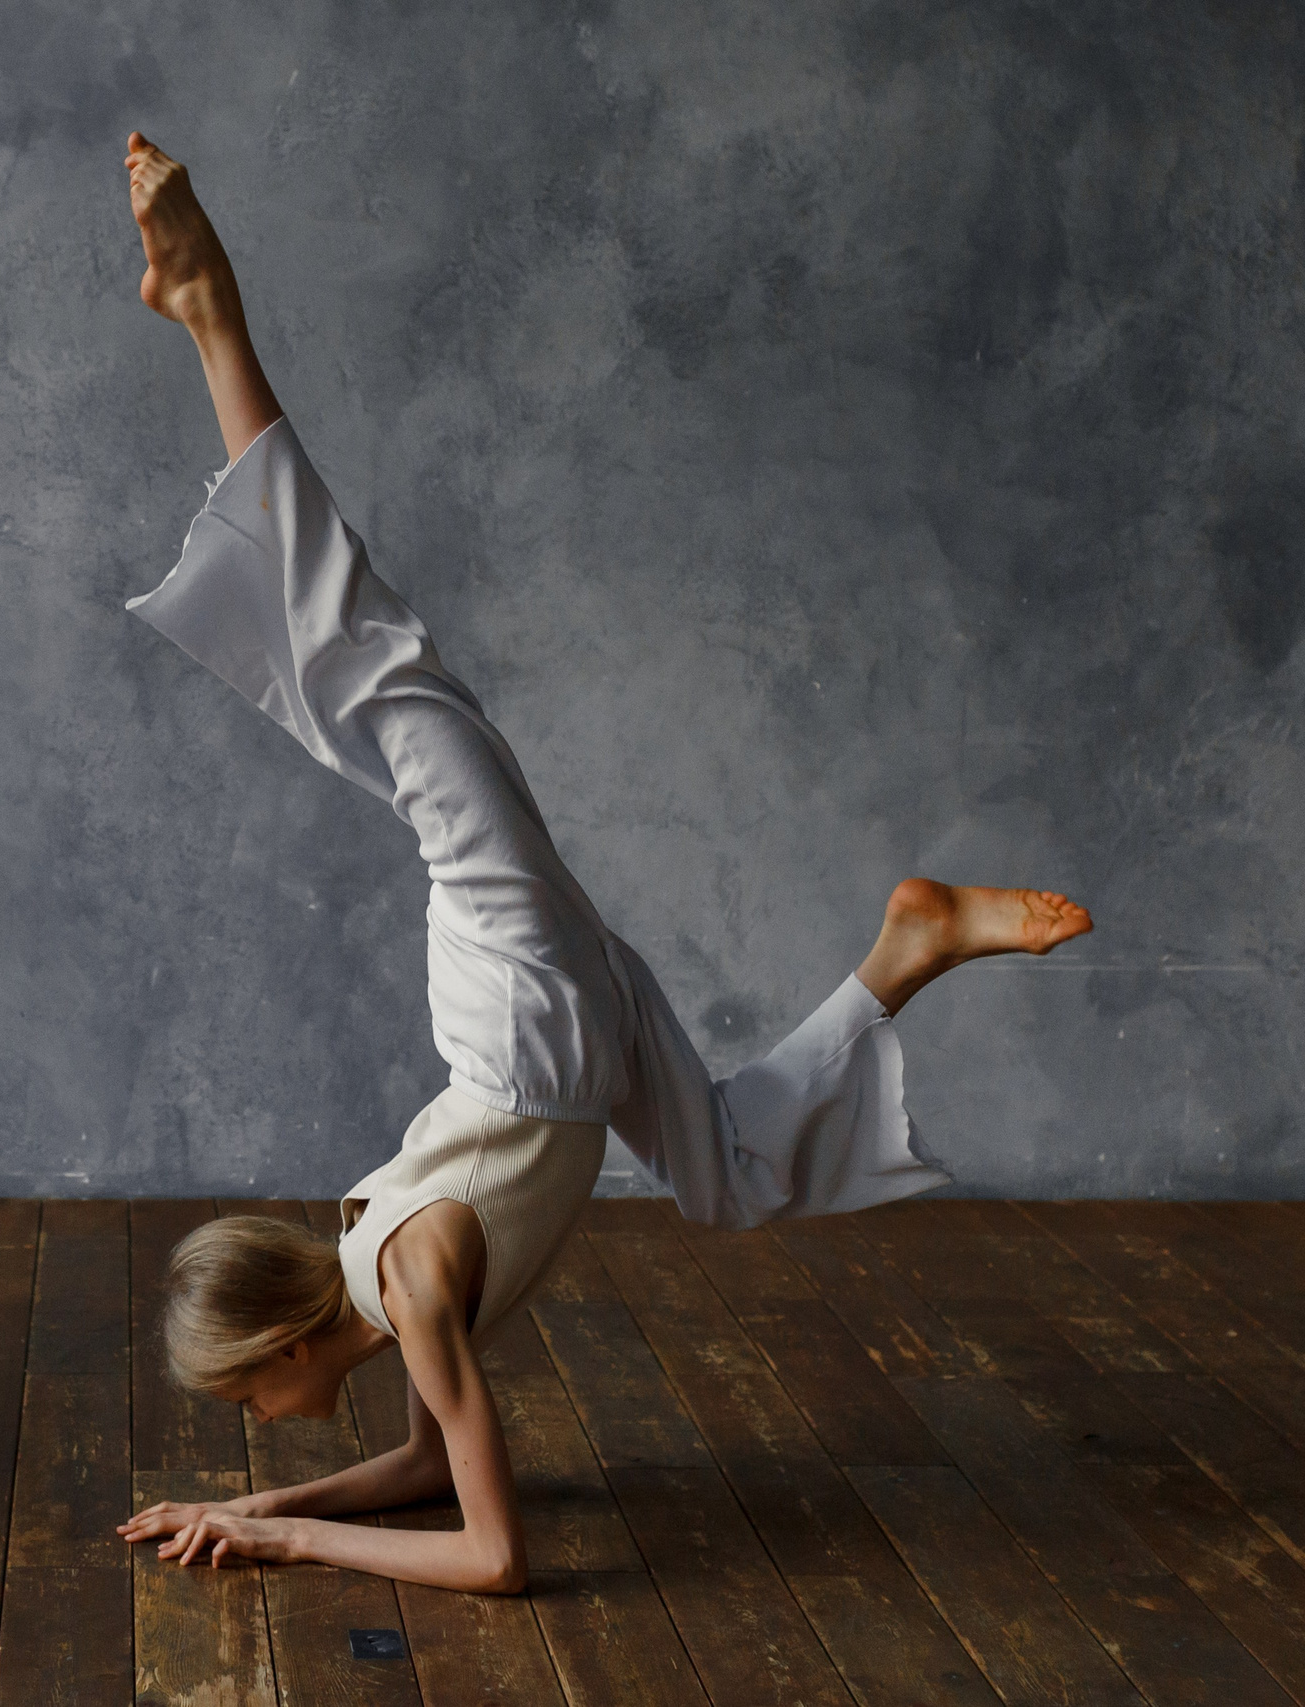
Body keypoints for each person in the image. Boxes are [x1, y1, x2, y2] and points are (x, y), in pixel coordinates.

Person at [107, 134, 1092, 1594]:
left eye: (242, 1403)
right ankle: (910, 946)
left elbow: (494, 1553)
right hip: (581, 1021)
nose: (253, 1423)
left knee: (381, 680)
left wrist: (278, 1526)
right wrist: (258, 1510)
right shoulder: (390, 1296)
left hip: (522, 997)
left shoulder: (415, 1287)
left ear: (284, 1347)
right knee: (734, 1176)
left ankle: (211, 309)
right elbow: (429, 1470)